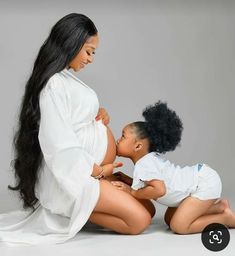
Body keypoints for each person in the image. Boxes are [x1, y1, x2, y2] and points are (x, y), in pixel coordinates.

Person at [0, 13, 155, 245]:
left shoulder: (65, 79)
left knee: (149, 209)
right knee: (139, 220)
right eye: (89, 51)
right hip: (78, 177)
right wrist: (97, 171)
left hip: (95, 172)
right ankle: (74, 210)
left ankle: (85, 207)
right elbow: (57, 142)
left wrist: (98, 114)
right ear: (71, 44)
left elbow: (73, 118)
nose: (91, 59)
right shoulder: (53, 85)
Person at [112, 101, 235, 234]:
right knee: (169, 218)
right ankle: (218, 207)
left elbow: (159, 189)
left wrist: (131, 192)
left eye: (123, 136)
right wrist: (129, 181)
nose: (118, 140)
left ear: (138, 146)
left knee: (179, 226)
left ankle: (225, 218)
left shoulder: (145, 164)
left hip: (203, 184)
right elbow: (148, 185)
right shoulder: (148, 160)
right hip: (198, 179)